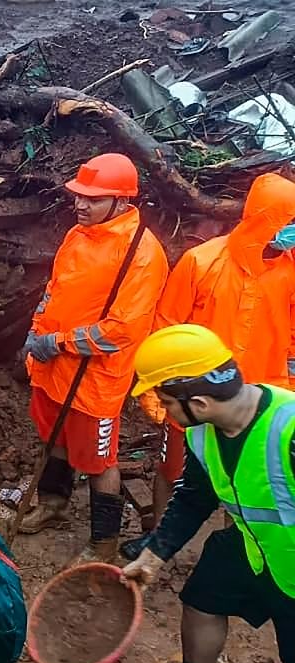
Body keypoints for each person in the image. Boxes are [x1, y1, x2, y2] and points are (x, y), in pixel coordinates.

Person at [123, 324, 295, 663]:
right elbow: (195, 498)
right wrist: (153, 555)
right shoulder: (203, 433)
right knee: (202, 599)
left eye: (165, 402)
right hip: (252, 547)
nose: (164, 411)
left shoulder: (289, 428)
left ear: (197, 401)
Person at [122, 173, 295, 560]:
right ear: (268, 221)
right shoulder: (201, 262)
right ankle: (158, 541)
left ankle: (239, 551)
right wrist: (155, 389)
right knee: (174, 470)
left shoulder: (291, 270)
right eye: (290, 223)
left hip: (260, 401)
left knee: (252, 479)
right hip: (191, 393)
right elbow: (166, 325)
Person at [18, 153, 168, 564]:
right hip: (52, 368)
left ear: (121, 201)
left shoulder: (142, 254)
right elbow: (54, 289)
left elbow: (122, 329)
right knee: (54, 439)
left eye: (93, 198)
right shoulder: (79, 235)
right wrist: (37, 329)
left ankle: (103, 543)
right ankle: (53, 503)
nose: (80, 204)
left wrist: (61, 342)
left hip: (94, 378)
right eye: (79, 196)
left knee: (99, 462)